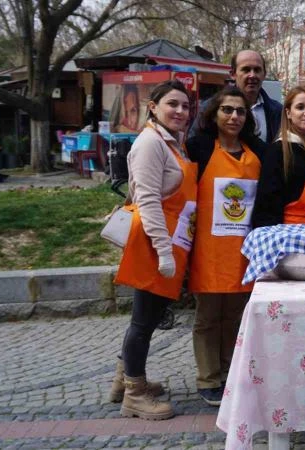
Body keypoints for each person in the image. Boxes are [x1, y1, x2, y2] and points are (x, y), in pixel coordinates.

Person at [112, 80, 196, 421]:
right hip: (153, 243)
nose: (179, 111)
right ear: (153, 107)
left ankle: (126, 378)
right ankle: (134, 394)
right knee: (143, 321)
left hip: (170, 242)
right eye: (172, 104)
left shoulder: (172, 143)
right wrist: (163, 252)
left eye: (185, 106)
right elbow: (147, 200)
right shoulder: (150, 142)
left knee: (145, 317)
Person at [185, 87, 265, 406]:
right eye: (227, 110)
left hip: (242, 249)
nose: (233, 116)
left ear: (248, 117)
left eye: (240, 111)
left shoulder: (257, 151)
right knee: (207, 317)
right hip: (207, 248)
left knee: (234, 315)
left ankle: (231, 373)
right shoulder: (198, 148)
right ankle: (208, 377)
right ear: (214, 114)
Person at [253, 85, 305, 226]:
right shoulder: (278, 151)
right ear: (288, 113)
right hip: (289, 235)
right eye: (300, 107)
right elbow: (266, 207)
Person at [191, 50, 283, 145]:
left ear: (264, 74)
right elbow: (194, 145)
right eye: (246, 70)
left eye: (257, 70)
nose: (252, 75)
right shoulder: (210, 107)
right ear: (233, 74)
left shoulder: (278, 111)